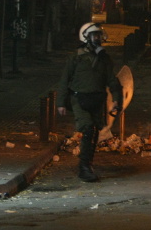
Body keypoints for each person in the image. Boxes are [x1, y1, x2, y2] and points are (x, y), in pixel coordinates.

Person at [57, 23, 122, 182]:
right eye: (94, 36)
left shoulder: (104, 58)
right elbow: (64, 80)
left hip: (98, 100)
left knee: (93, 133)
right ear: (85, 37)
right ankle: (84, 168)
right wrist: (61, 102)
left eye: (99, 36)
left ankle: (87, 164)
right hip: (79, 99)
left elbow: (112, 80)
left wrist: (116, 99)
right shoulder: (76, 57)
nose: (97, 39)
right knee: (86, 128)